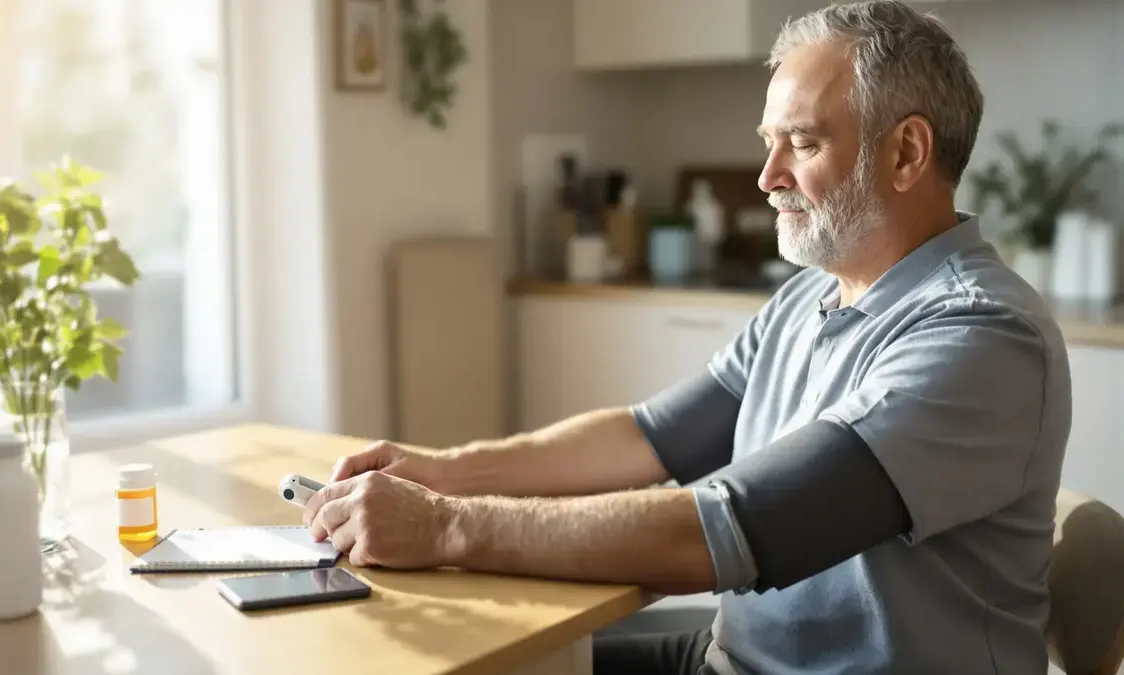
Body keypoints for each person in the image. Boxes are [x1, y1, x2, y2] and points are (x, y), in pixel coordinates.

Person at [302, 1, 1073, 673]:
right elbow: (649, 437)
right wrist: (443, 472)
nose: (766, 175)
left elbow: (732, 527)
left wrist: (444, 525)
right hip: (732, 656)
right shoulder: (810, 296)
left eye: (800, 143)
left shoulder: (983, 336)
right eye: (769, 142)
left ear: (906, 152)